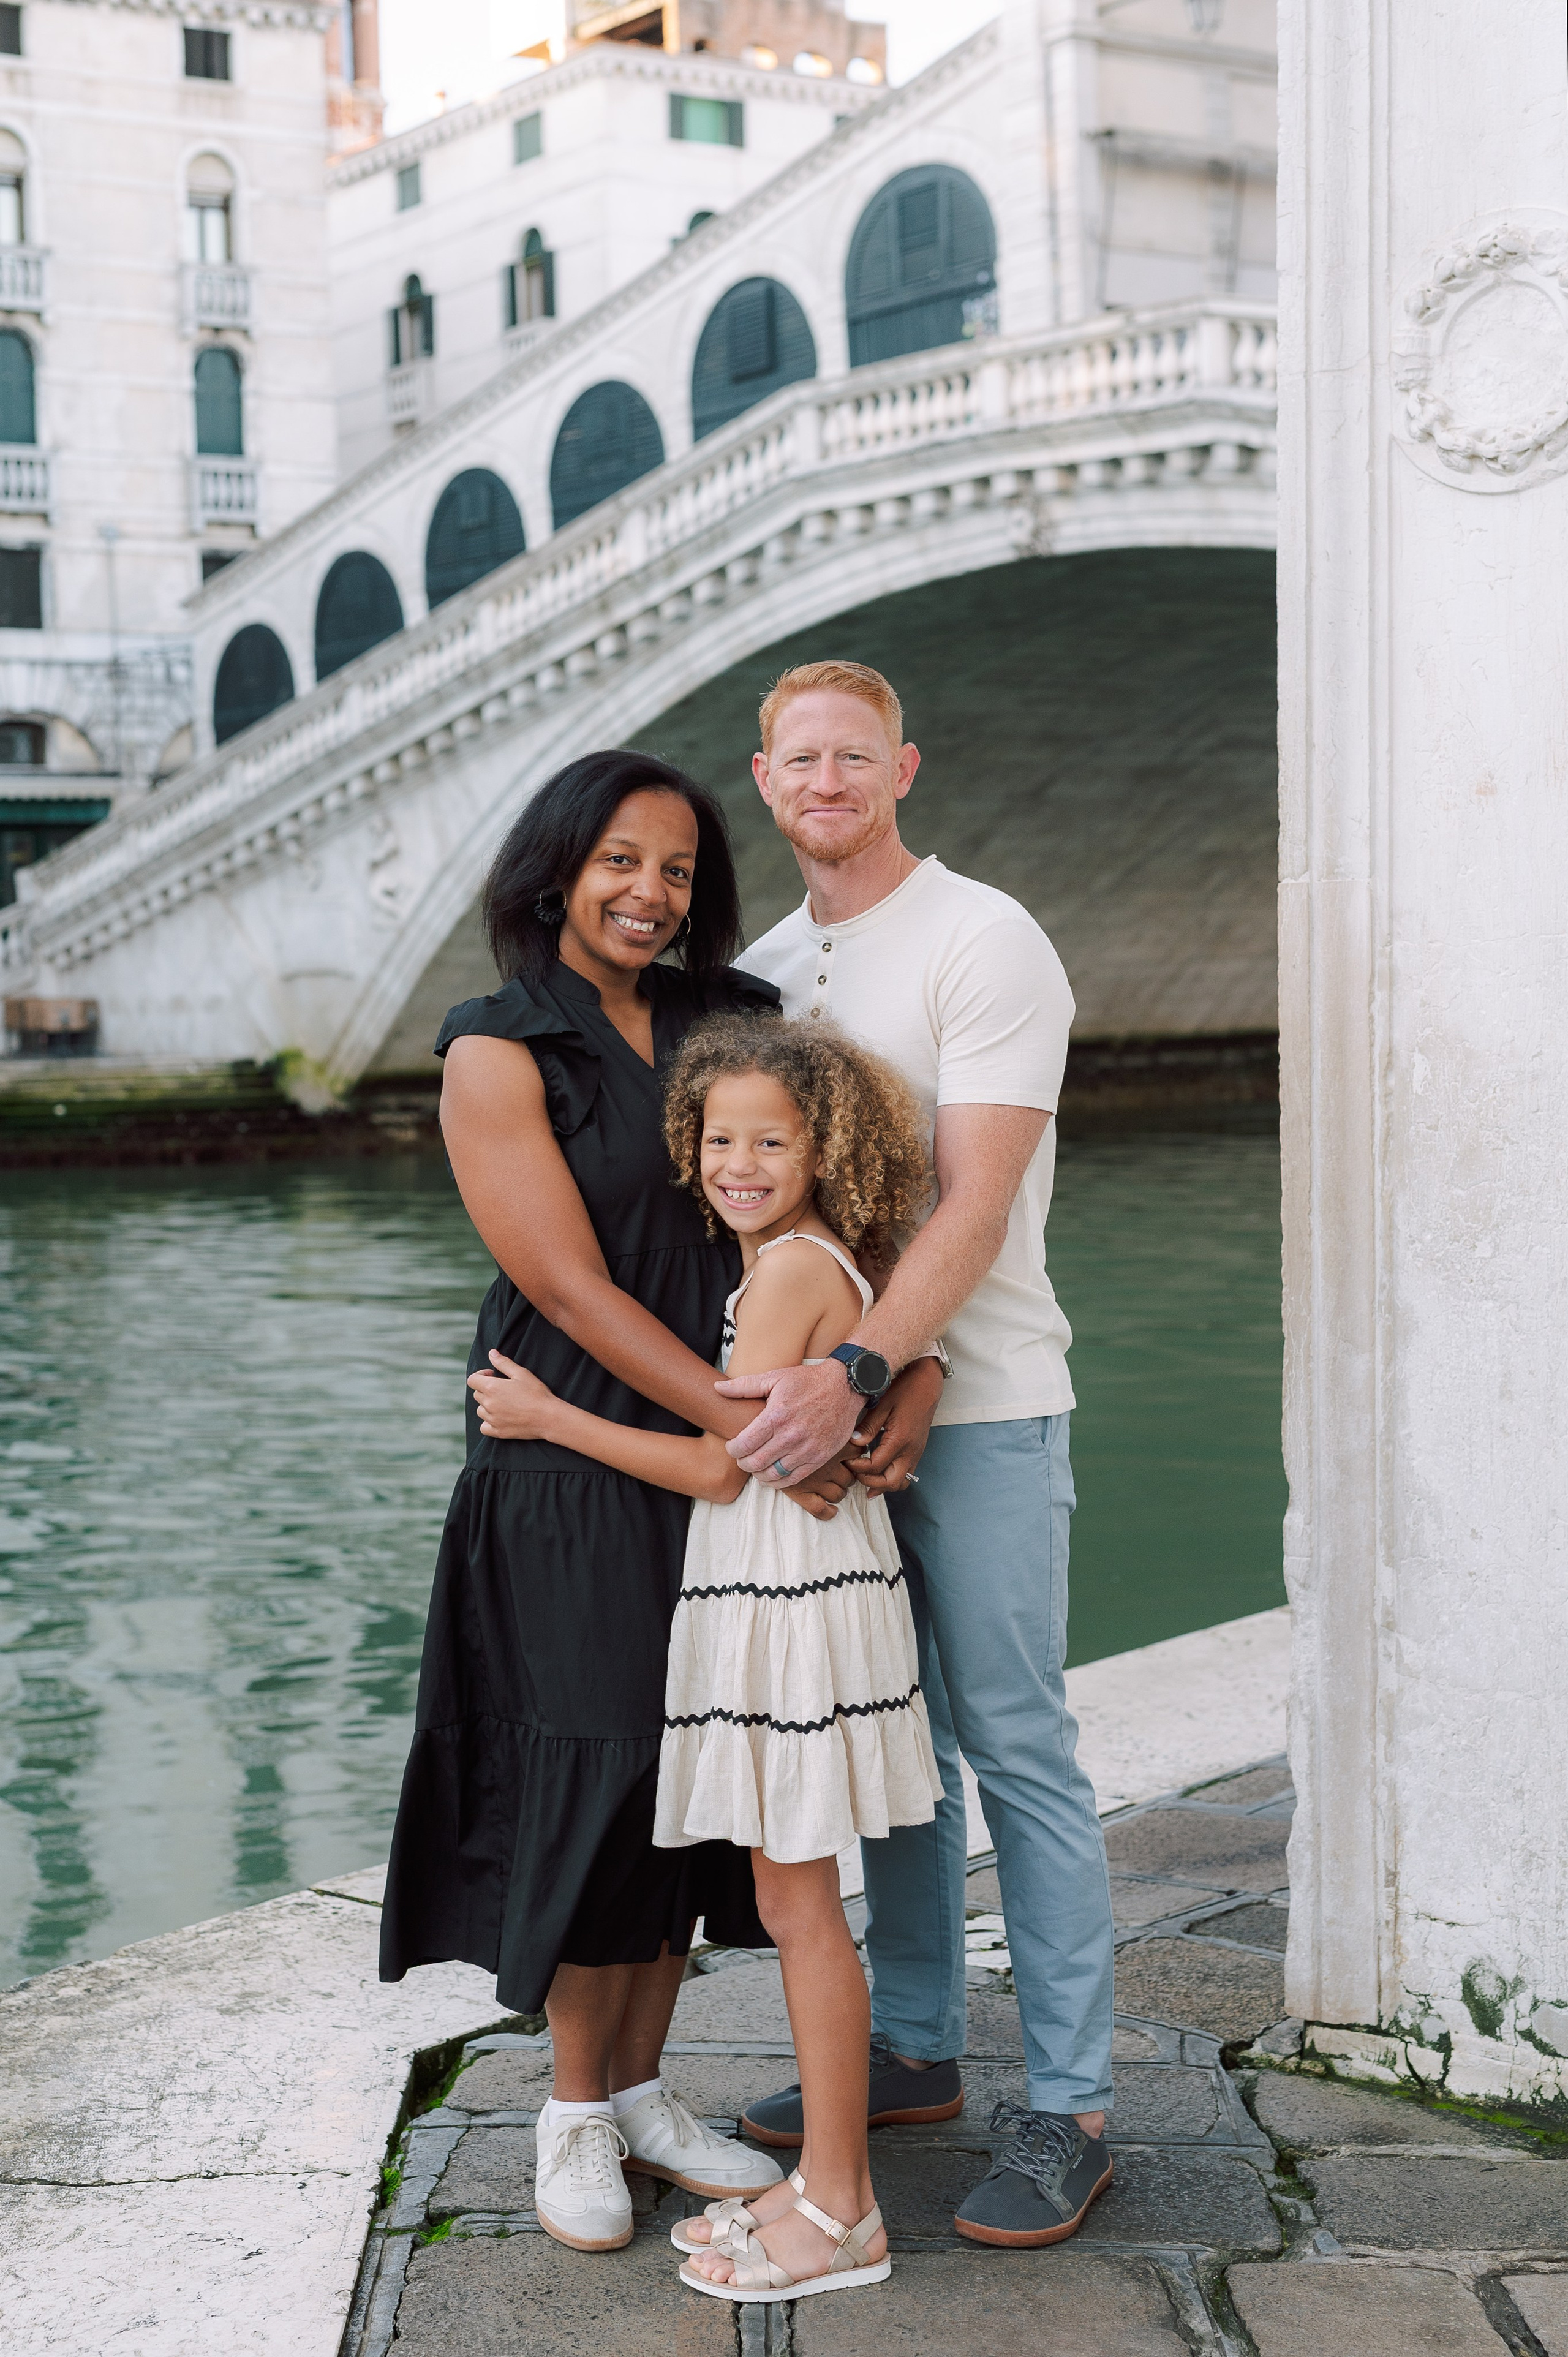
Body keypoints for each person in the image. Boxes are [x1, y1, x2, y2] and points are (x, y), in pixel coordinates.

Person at [378, 751, 903, 2254]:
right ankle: (569, 2112)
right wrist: (748, 1424)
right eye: (619, 860)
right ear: (556, 866)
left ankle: (649, 2092)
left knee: (695, 1787)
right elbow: (567, 1284)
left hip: (716, 1451)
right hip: (572, 1452)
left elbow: (844, 1201)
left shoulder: (728, 1017)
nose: (647, 892)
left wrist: (873, 1385)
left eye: (673, 869)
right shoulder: (496, 1047)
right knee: (597, 1766)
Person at [723, 661, 1118, 2249]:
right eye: (799, 758)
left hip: (989, 1395)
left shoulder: (983, 937)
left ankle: (1076, 2106)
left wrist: (881, 1359)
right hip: (842, 1397)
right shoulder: (759, 973)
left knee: (1015, 1738)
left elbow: (976, 1195)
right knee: (889, 1741)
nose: (827, 779)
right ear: (764, 779)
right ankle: (916, 2049)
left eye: (855, 755)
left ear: (905, 769)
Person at [474, 1013, 944, 2306]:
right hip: (791, 1591)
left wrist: (547, 1414)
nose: (738, 1159)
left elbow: (709, 1462)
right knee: (799, 1902)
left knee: (800, 1908)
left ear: (819, 1146)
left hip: (789, 1604)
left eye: (770, 1138)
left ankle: (839, 2206)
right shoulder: (803, 1262)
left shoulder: (790, 1272)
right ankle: (826, 2190)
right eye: (717, 1135)